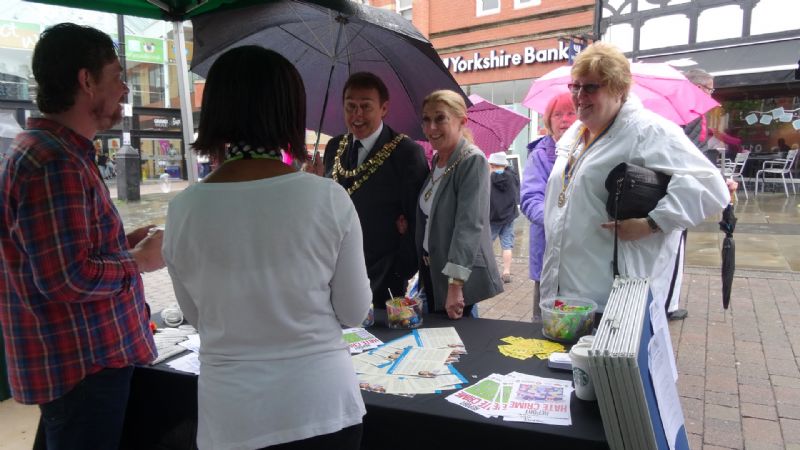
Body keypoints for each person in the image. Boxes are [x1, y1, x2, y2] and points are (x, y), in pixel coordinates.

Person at [162, 46, 371, 450]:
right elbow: (354, 311)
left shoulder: (182, 210)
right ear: (290, 112)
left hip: (233, 417)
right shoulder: (328, 198)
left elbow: (197, 316)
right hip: (323, 407)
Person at [0, 23, 165, 449]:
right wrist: (141, 260)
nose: (127, 90)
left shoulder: (58, 152)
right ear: (86, 81)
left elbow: (66, 253)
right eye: (118, 77)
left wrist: (123, 243)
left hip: (79, 364)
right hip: (83, 368)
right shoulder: (55, 161)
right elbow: (64, 277)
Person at [540, 42, 730, 316]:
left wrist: (653, 223)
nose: (579, 95)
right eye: (575, 86)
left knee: (603, 358)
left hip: (610, 291)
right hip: (565, 287)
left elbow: (709, 185)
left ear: (619, 89)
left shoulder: (647, 131)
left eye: (591, 87)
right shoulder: (575, 136)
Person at [318, 72, 429, 309]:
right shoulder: (334, 146)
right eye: (350, 107)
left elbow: (416, 218)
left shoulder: (407, 153)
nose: (357, 115)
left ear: (384, 108)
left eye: (365, 107)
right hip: (334, 266)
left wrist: (401, 269)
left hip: (384, 273)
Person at [416, 89, 503, 320]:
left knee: (457, 347)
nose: (431, 127)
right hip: (432, 271)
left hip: (455, 277)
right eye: (426, 119)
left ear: (461, 121)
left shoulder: (471, 160)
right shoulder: (438, 159)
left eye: (440, 118)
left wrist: (455, 286)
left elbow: (469, 225)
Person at [519, 92, 577, 323]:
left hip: (581, 253)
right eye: (557, 114)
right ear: (549, 121)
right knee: (545, 319)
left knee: (577, 315)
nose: (564, 119)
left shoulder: (591, 149)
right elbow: (530, 198)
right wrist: (559, 222)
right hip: (549, 249)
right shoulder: (541, 154)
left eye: (571, 112)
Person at [487, 151, 520, 284]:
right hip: (509, 217)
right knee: (507, 245)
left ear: (492, 165)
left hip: (493, 218)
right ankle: (506, 272)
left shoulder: (488, 179)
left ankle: (489, 271)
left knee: (486, 246)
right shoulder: (513, 176)